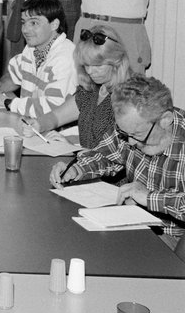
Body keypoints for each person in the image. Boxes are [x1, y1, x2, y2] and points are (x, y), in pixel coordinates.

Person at [49, 75, 185, 242]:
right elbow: (104, 154)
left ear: (165, 120)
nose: (131, 142)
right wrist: (77, 168)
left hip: (174, 240)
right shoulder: (132, 128)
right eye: (125, 134)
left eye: (137, 135)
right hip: (136, 224)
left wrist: (149, 197)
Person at [24, 22, 132, 151]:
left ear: (116, 61)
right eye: (86, 65)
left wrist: (72, 148)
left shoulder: (129, 97)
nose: (90, 71)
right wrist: (39, 124)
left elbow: (119, 155)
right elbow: (57, 117)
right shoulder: (91, 90)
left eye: (97, 65)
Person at [0, 0, 77, 119]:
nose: (25, 29)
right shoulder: (32, 49)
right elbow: (14, 76)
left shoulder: (65, 58)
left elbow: (53, 109)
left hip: (58, 132)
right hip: (31, 121)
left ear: (54, 24)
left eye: (34, 23)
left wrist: (7, 102)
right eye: (23, 22)